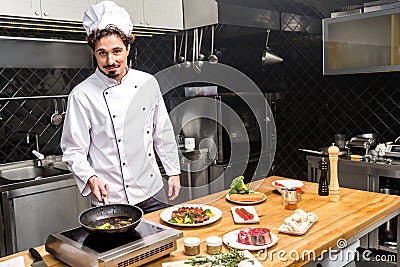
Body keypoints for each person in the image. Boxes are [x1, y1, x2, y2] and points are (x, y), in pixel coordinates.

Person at [60, 1, 181, 213]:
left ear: (128, 49)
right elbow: (73, 150)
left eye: (117, 51)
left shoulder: (147, 83)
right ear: (94, 53)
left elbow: (161, 132)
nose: (110, 60)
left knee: (163, 244)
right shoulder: (81, 95)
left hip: (151, 191)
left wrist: (173, 171)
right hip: (109, 198)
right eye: (102, 53)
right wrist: (90, 178)